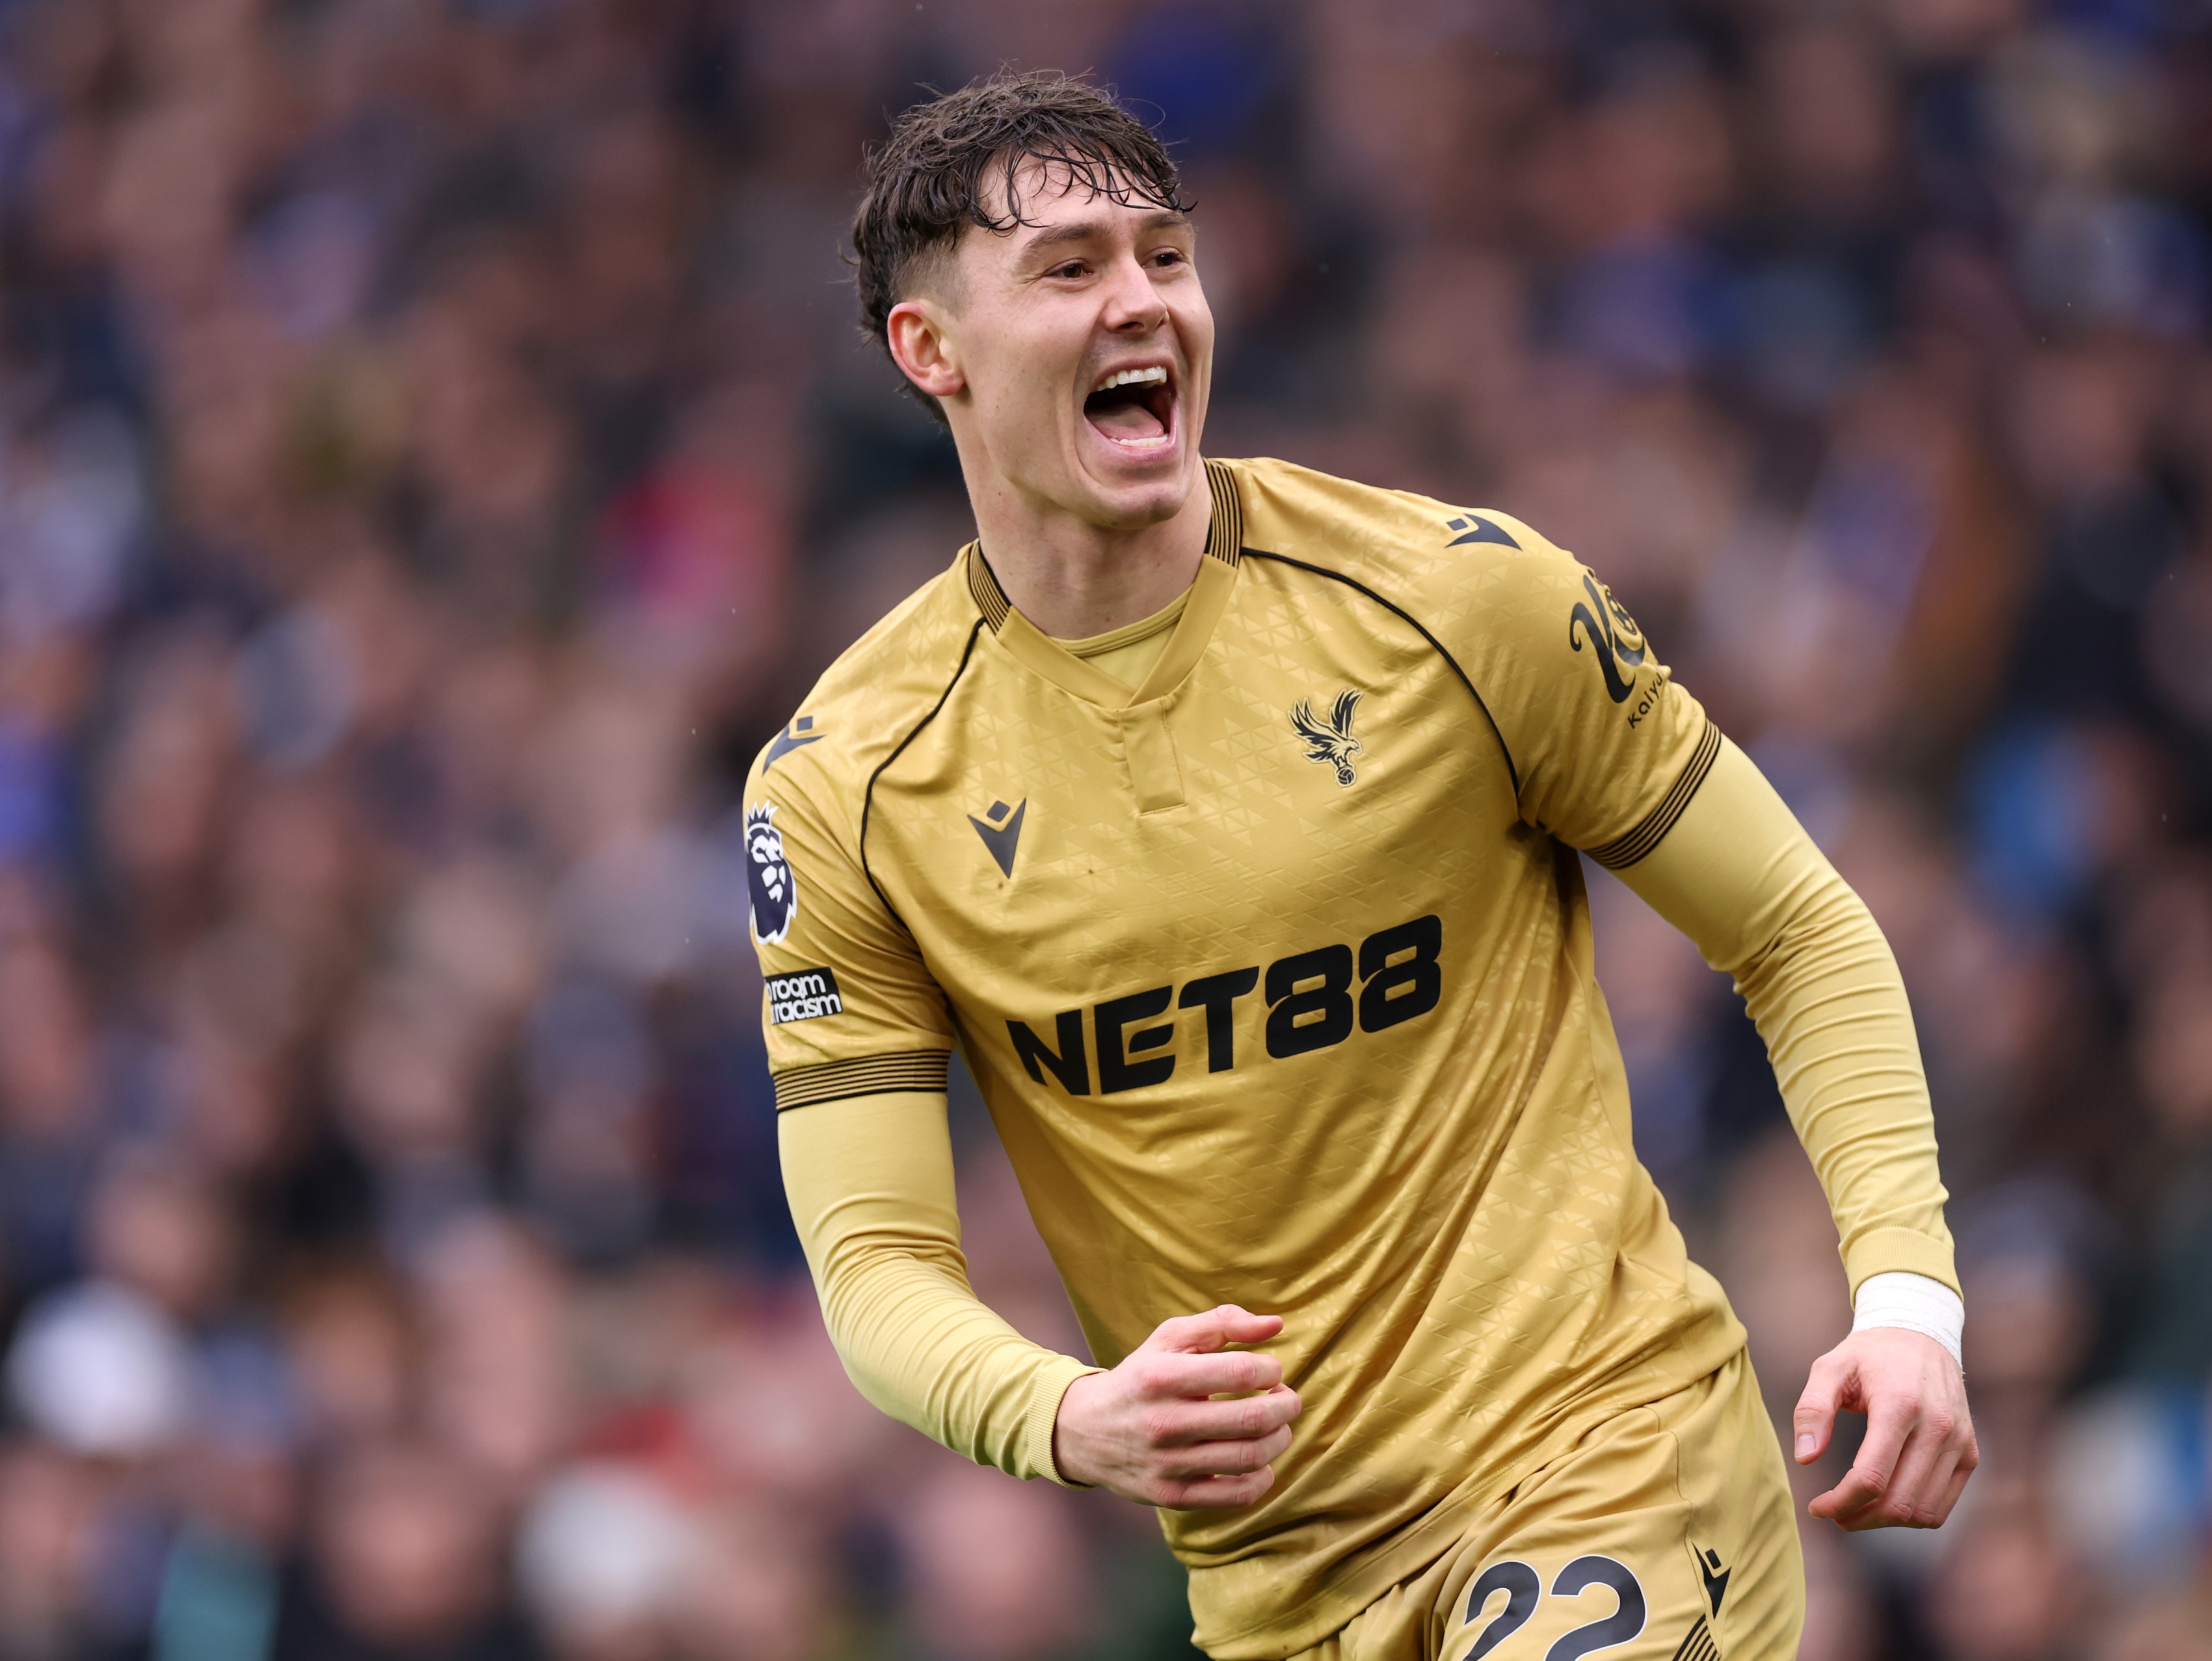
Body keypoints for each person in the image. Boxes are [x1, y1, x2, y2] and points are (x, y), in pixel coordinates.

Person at [749, 70, 1975, 1661]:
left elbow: (1795, 926)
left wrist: (1905, 1299)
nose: (1143, 302)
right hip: (1280, 1583)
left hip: (1597, 1455)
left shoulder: (1463, 607)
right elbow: (876, 1261)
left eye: (1165, 257)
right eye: (1068, 270)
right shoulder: (849, 782)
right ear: (931, 353)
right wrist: (1067, 1415)